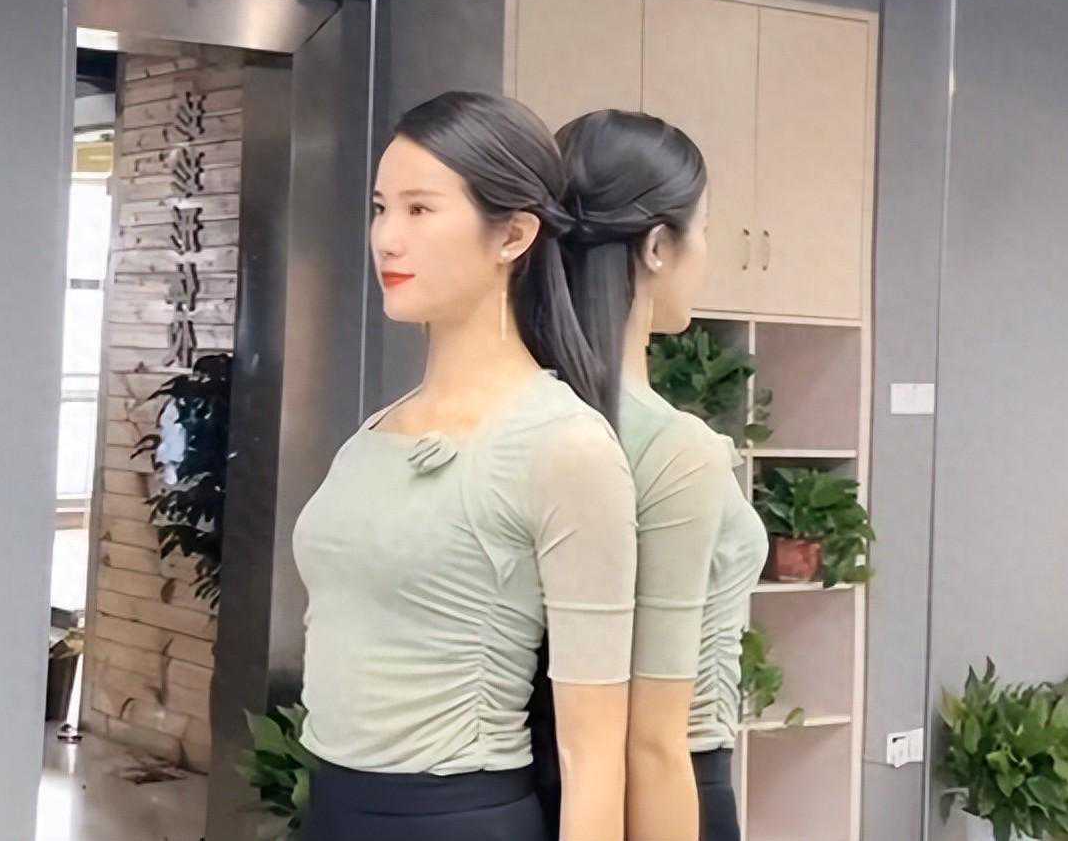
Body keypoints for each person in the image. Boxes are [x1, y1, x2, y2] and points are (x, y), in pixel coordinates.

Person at [292, 91, 640, 841]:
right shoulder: (374, 432)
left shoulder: (566, 446)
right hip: (333, 808)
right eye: (381, 208)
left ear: (513, 234)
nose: (387, 238)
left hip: (459, 818)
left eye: (420, 209)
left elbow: (592, 756)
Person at [551, 108, 768, 841]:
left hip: (554, 783)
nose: (707, 253)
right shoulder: (677, 447)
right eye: (702, 229)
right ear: (655, 246)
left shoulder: (532, 419)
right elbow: (655, 738)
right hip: (677, 780)